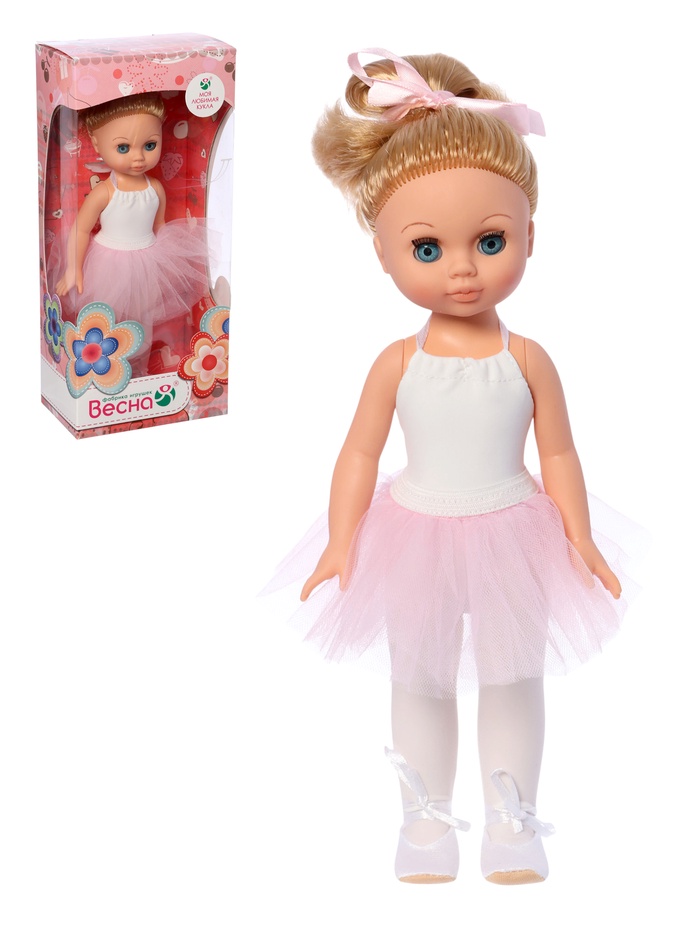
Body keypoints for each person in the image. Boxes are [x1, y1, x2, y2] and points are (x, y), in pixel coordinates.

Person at [267, 49, 636, 885]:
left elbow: (558, 450)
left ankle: (512, 819)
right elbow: (359, 451)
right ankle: (424, 821)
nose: (463, 268)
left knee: (514, 677)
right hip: (416, 532)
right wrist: (341, 538)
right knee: (420, 680)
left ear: (530, 237)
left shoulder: (528, 358)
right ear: (383, 254)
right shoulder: (397, 362)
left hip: (514, 528)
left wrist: (579, 534)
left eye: (490, 241)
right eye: (428, 247)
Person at [53, 93, 210, 374]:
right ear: (97, 144)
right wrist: (73, 268)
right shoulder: (105, 192)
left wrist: (169, 263)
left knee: (144, 318)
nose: (138, 157)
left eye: (150, 145)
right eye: (123, 148)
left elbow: (161, 227)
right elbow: (80, 229)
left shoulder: (155, 189)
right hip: (109, 264)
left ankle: (139, 371)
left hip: (148, 262)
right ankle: (106, 370)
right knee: (108, 318)